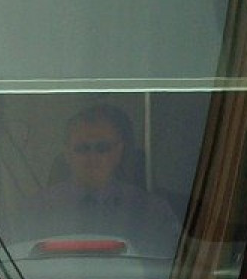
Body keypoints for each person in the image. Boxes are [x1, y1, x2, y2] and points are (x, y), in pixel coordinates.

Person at [21, 104, 179, 255]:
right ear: (67, 153)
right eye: (82, 148)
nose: (92, 157)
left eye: (102, 148)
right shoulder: (36, 210)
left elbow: (173, 272)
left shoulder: (152, 212)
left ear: (118, 151)